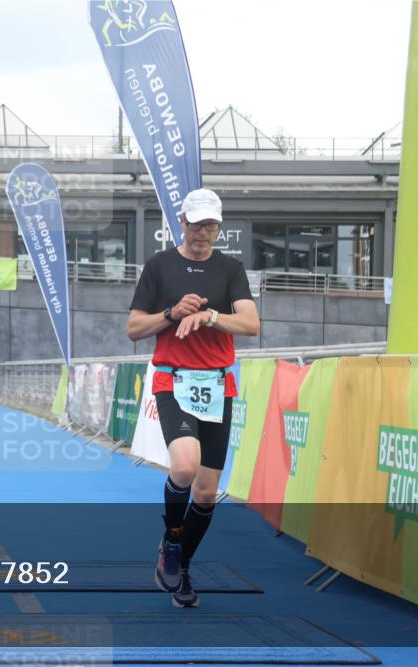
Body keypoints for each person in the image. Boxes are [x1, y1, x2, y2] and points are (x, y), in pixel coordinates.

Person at [127, 188, 260, 608]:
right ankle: (171, 540)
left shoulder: (230, 268)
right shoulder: (159, 266)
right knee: (183, 467)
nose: (202, 232)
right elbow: (134, 329)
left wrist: (211, 316)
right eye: (196, 223)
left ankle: (181, 566)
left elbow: (251, 324)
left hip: (218, 385)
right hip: (173, 381)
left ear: (219, 227)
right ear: (181, 222)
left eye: (210, 225)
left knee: (205, 493)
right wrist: (172, 313)